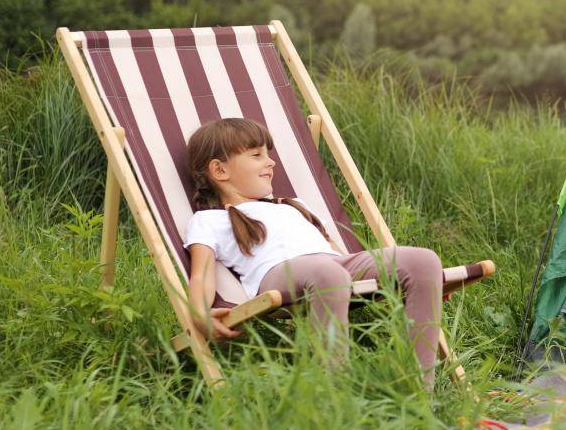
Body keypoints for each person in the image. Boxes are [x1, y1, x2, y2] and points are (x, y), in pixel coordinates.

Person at [182, 117, 444, 387]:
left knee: (424, 260)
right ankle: (334, 395)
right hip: (278, 275)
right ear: (219, 170)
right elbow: (201, 274)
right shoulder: (210, 220)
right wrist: (199, 314)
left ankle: (421, 391)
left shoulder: (292, 205)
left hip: (335, 264)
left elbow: (333, 250)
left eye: (268, 154)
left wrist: (425, 286)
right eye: (256, 155)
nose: (270, 162)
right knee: (327, 272)